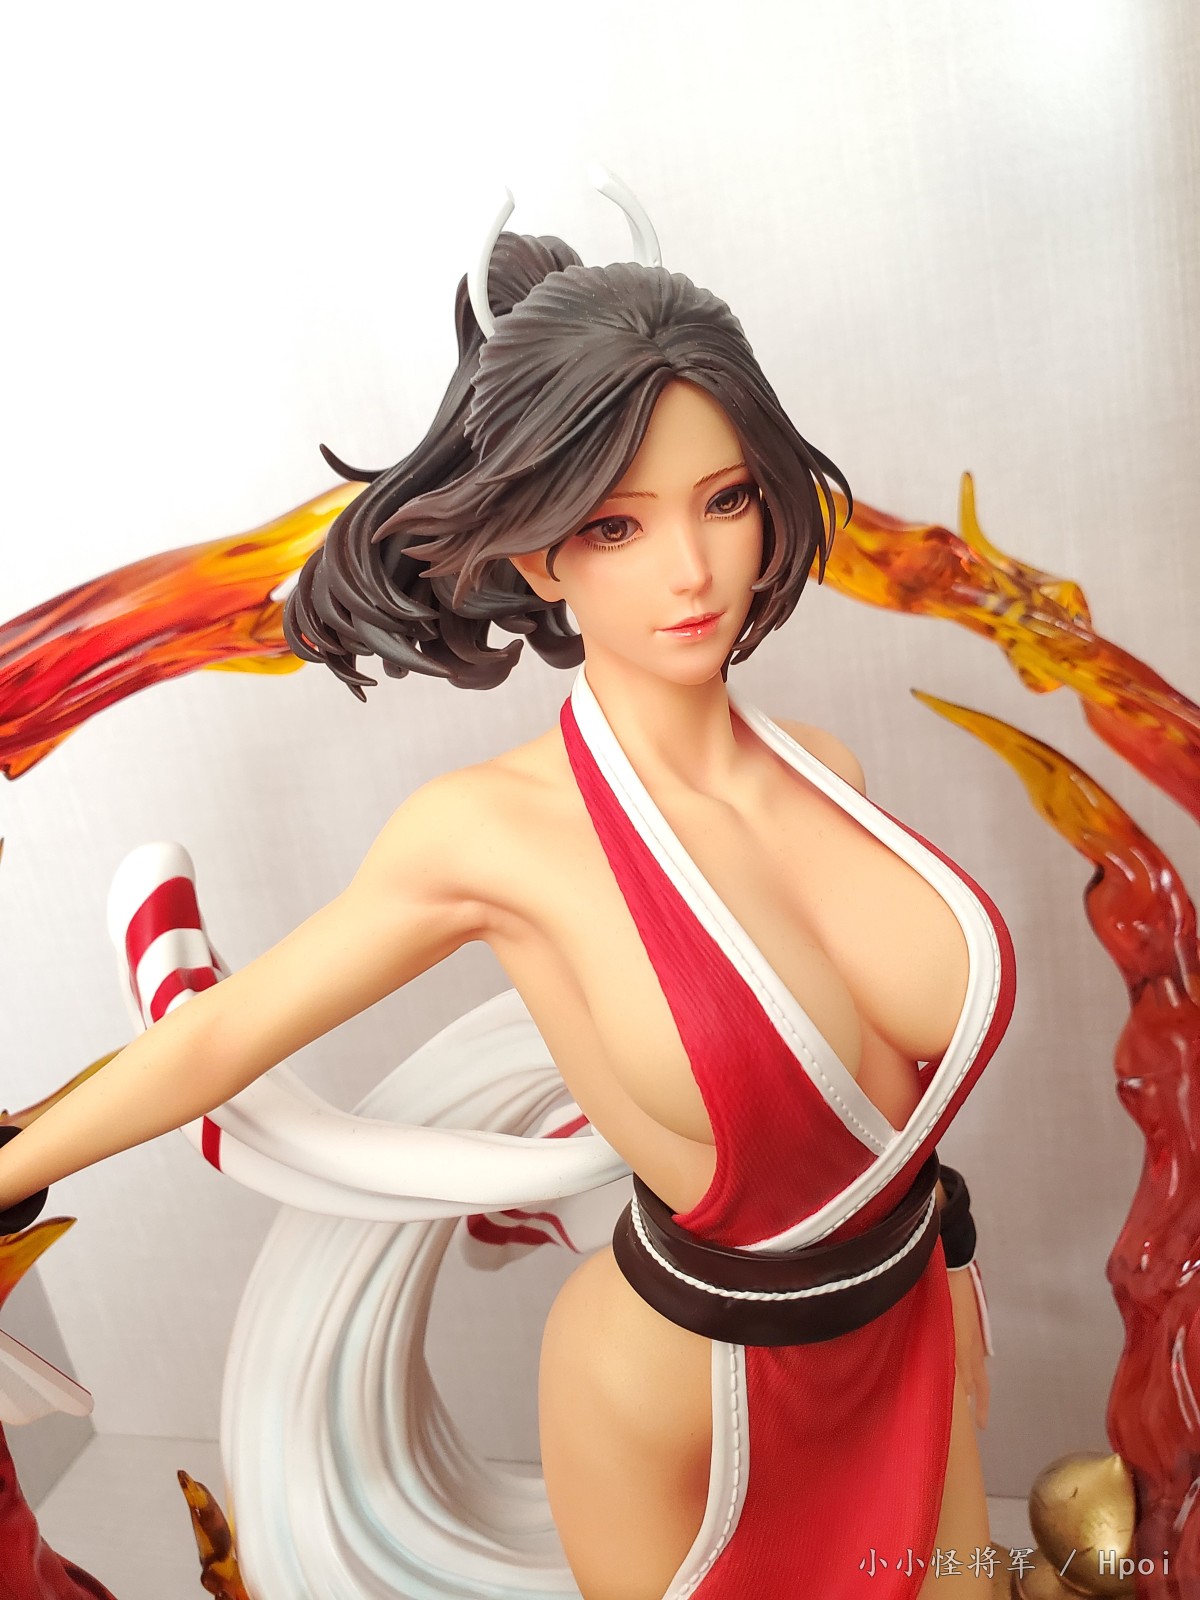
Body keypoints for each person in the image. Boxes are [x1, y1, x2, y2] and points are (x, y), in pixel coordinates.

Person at [0, 187, 1016, 1598]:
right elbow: (223, 1036)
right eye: (616, 526)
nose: (690, 569)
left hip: (916, 1324)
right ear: (539, 551)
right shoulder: (491, 836)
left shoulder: (825, 770)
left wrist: (950, 1300)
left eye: (725, 501)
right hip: (684, 1393)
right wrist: (12, 1165)